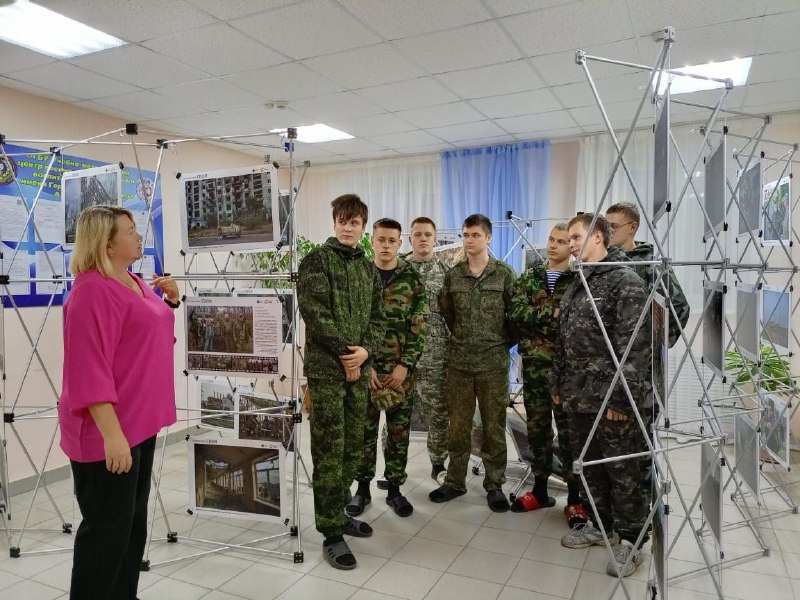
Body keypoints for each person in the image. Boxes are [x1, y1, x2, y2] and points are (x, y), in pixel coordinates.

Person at [59, 206, 180, 599]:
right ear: (108, 244)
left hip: (139, 423)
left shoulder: (132, 280)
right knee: (105, 534)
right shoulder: (91, 292)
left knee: (131, 526)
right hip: (109, 433)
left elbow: (149, 334)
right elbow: (87, 369)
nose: (138, 235)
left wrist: (172, 302)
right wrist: (113, 436)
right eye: (130, 231)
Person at [550, 213, 652, 578]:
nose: (571, 243)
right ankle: (601, 525)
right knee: (588, 467)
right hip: (578, 396)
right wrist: (557, 386)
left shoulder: (625, 282)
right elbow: (564, 339)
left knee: (623, 471)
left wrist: (623, 401)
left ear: (599, 238)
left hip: (611, 399)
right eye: (570, 237)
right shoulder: (579, 281)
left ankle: (632, 541)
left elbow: (636, 348)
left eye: (577, 237)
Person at [297, 194, 385, 571]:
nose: (349, 228)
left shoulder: (368, 269)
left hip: (358, 370)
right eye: (343, 221)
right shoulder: (316, 261)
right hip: (328, 372)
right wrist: (347, 354)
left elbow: (379, 319)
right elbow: (315, 314)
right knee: (329, 452)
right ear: (334, 222)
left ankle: (340, 510)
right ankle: (331, 532)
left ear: (363, 226)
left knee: (354, 447)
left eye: (355, 222)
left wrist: (365, 353)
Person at [429, 214, 517, 513]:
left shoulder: (504, 274)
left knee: (493, 426)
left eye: (475, 235)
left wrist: (498, 342)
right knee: (459, 427)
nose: (469, 240)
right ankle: (455, 481)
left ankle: (494, 484)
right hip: (460, 364)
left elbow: (515, 318)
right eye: (465, 235)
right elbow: (447, 313)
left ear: (488, 238)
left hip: (493, 364)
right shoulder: (454, 276)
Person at [346, 218, 427, 518]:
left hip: (399, 374)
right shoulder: (360, 275)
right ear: (372, 240)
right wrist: (364, 368)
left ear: (400, 243)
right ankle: (362, 489)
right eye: (381, 240)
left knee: (398, 433)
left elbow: (420, 326)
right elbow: (352, 325)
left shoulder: (412, 278)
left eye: (392, 241)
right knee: (363, 434)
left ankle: (394, 490)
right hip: (366, 372)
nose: (386, 246)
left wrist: (405, 366)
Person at [509, 224, 585, 522]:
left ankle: (576, 498)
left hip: (567, 372)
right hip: (536, 369)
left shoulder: (580, 280)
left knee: (570, 435)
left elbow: (578, 322)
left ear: (572, 246)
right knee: (538, 432)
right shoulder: (530, 277)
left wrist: (539, 317)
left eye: (562, 241)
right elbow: (516, 313)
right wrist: (552, 313)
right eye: (551, 240)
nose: (553, 246)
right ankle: (540, 490)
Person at [405, 217, 451, 480]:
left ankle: (437, 463)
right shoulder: (398, 270)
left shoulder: (447, 273)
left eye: (428, 235)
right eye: (418, 234)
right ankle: (393, 467)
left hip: (436, 356)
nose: (423, 239)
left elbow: (453, 316)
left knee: (437, 412)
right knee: (397, 414)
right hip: (402, 357)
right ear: (410, 239)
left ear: (435, 239)